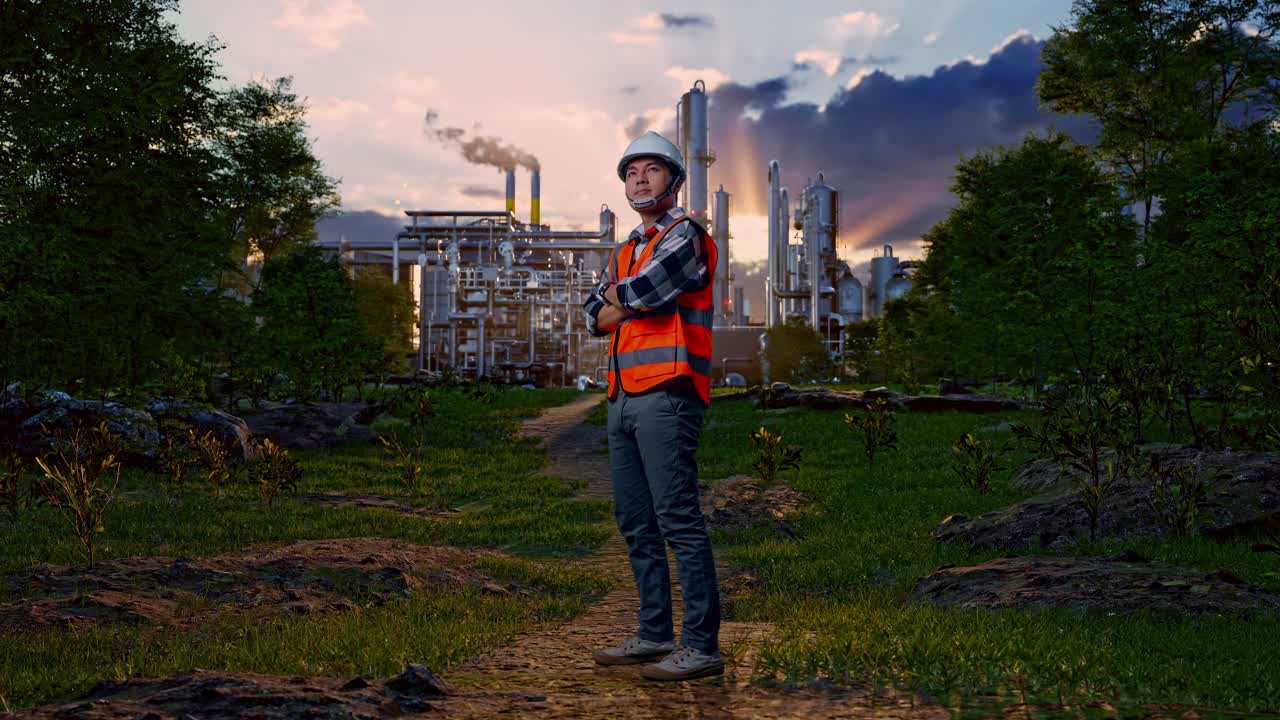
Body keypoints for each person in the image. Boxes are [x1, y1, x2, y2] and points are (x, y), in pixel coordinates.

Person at [583, 131, 722, 681]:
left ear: (675, 180)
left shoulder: (687, 235)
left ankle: (702, 646)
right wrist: (619, 298)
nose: (639, 178)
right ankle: (654, 633)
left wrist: (620, 297)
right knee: (635, 522)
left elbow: (642, 295)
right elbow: (592, 317)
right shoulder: (622, 251)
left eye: (652, 169)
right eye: (631, 171)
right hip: (621, 396)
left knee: (678, 519)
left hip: (669, 390)